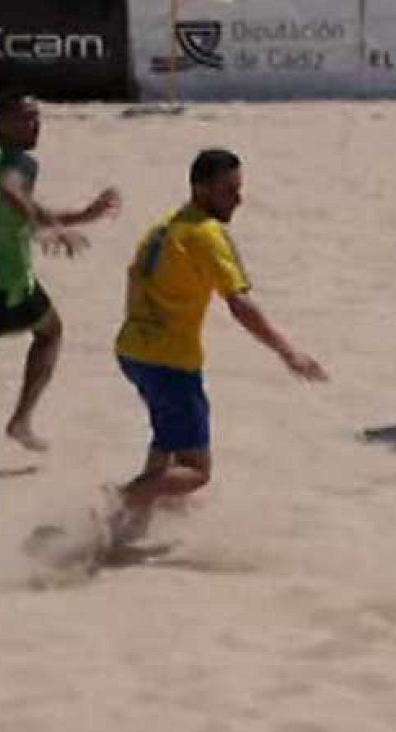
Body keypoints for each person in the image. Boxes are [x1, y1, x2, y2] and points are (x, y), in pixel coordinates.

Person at [108, 149, 327, 552]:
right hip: (170, 361)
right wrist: (287, 352)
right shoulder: (207, 234)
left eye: (239, 189)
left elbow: (133, 283)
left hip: (132, 351)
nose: (238, 200)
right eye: (228, 191)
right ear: (200, 188)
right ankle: (111, 505)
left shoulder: (161, 228)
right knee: (195, 471)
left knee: (166, 441)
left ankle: (126, 528)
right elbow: (240, 304)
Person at [0, 92, 119, 451]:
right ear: (0, 123)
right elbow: (13, 191)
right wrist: (53, 229)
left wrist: (77, 217)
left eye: (37, 116)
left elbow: (21, 203)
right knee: (50, 332)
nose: (35, 124)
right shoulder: (19, 161)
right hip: (3, 280)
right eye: (25, 118)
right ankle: (21, 420)